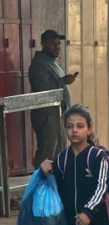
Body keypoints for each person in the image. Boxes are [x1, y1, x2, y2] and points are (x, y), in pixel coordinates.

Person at [29, 30, 78, 167]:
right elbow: (42, 88)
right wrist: (63, 81)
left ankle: (55, 184)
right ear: (43, 44)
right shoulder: (39, 64)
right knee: (47, 151)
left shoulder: (52, 62)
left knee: (58, 151)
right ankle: (39, 184)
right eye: (53, 44)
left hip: (58, 114)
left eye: (58, 44)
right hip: (46, 115)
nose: (57, 47)